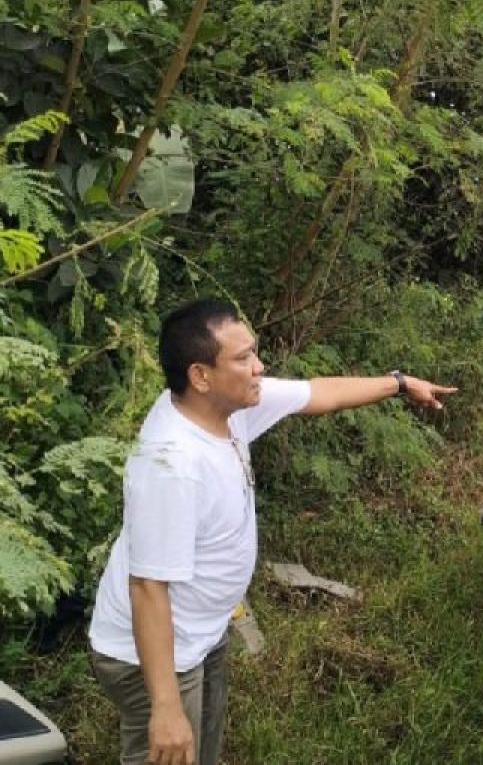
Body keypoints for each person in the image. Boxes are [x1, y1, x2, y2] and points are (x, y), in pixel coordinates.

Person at [88, 298, 456, 765]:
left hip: (202, 632)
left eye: (255, 352)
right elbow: (147, 587)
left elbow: (320, 392)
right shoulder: (172, 464)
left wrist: (401, 384)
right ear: (201, 376)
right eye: (243, 359)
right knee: (170, 747)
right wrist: (165, 706)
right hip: (153, 655)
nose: (259, 367)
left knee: (202, 752)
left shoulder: (229, 406)